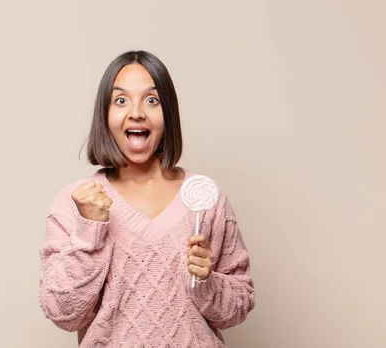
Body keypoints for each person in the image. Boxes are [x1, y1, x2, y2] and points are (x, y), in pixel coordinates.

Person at [38, 50, 255, 347]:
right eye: (121, 100)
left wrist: (207, 282)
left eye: (152, 100)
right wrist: (89, 231)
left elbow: (239, 307)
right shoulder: (75, 203)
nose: (137, 112)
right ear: (105, 115)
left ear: (169, 114)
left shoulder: (207, 200)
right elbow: (63, 312)